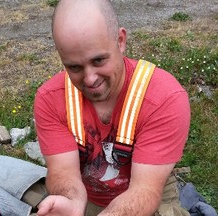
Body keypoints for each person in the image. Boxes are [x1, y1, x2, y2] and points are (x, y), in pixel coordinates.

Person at [33, 0, 191, 215]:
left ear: (120, 40)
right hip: (86, 193)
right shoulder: (50, 98)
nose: (89, 79)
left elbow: (145, 189)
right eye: (74, 67)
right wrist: (70, 199)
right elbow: (62, 171)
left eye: (98, 60)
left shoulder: (164, 98)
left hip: (149, 192)